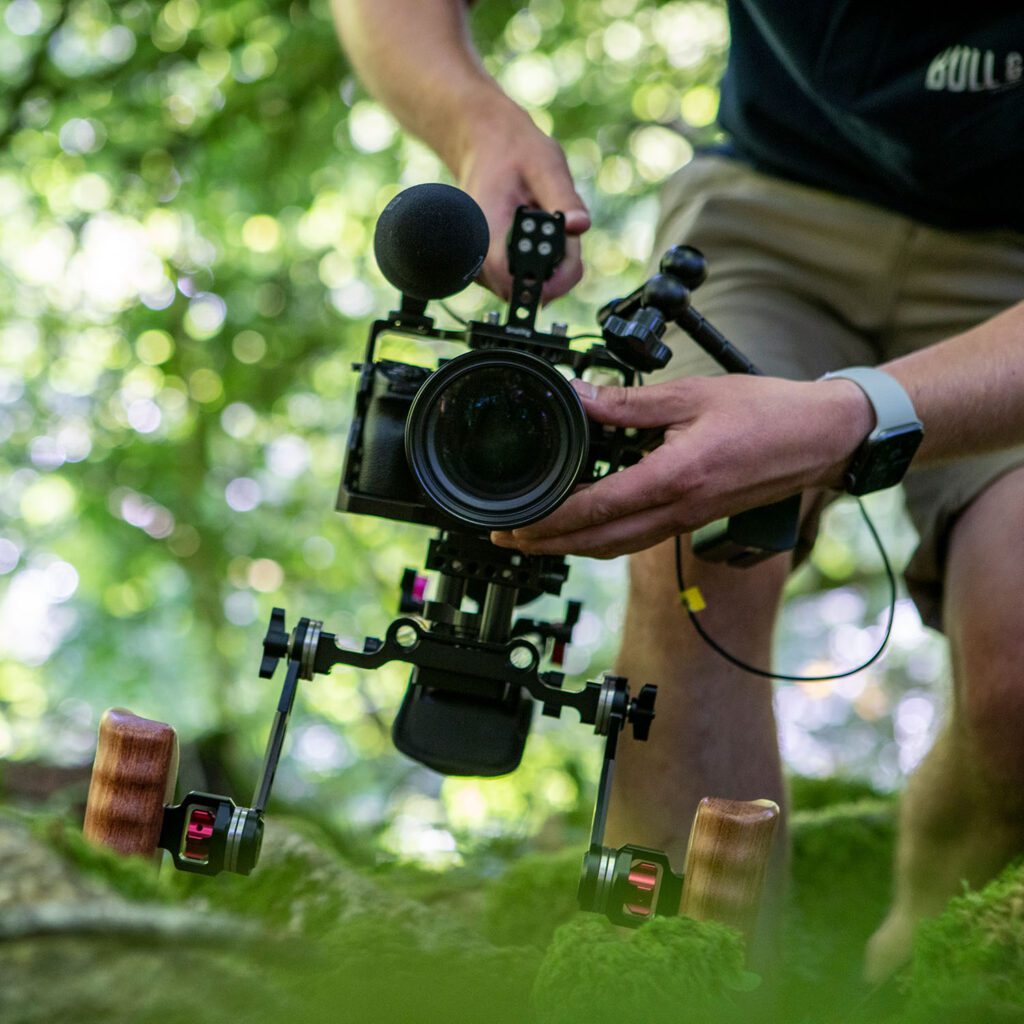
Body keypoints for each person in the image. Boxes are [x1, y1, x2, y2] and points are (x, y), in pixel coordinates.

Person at [333, 1, 1024, 978]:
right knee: (691, 538)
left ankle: (914, 962)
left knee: (1015, 684)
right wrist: (472, 120)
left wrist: (844, 417)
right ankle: (689, 979)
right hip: (770, 211)